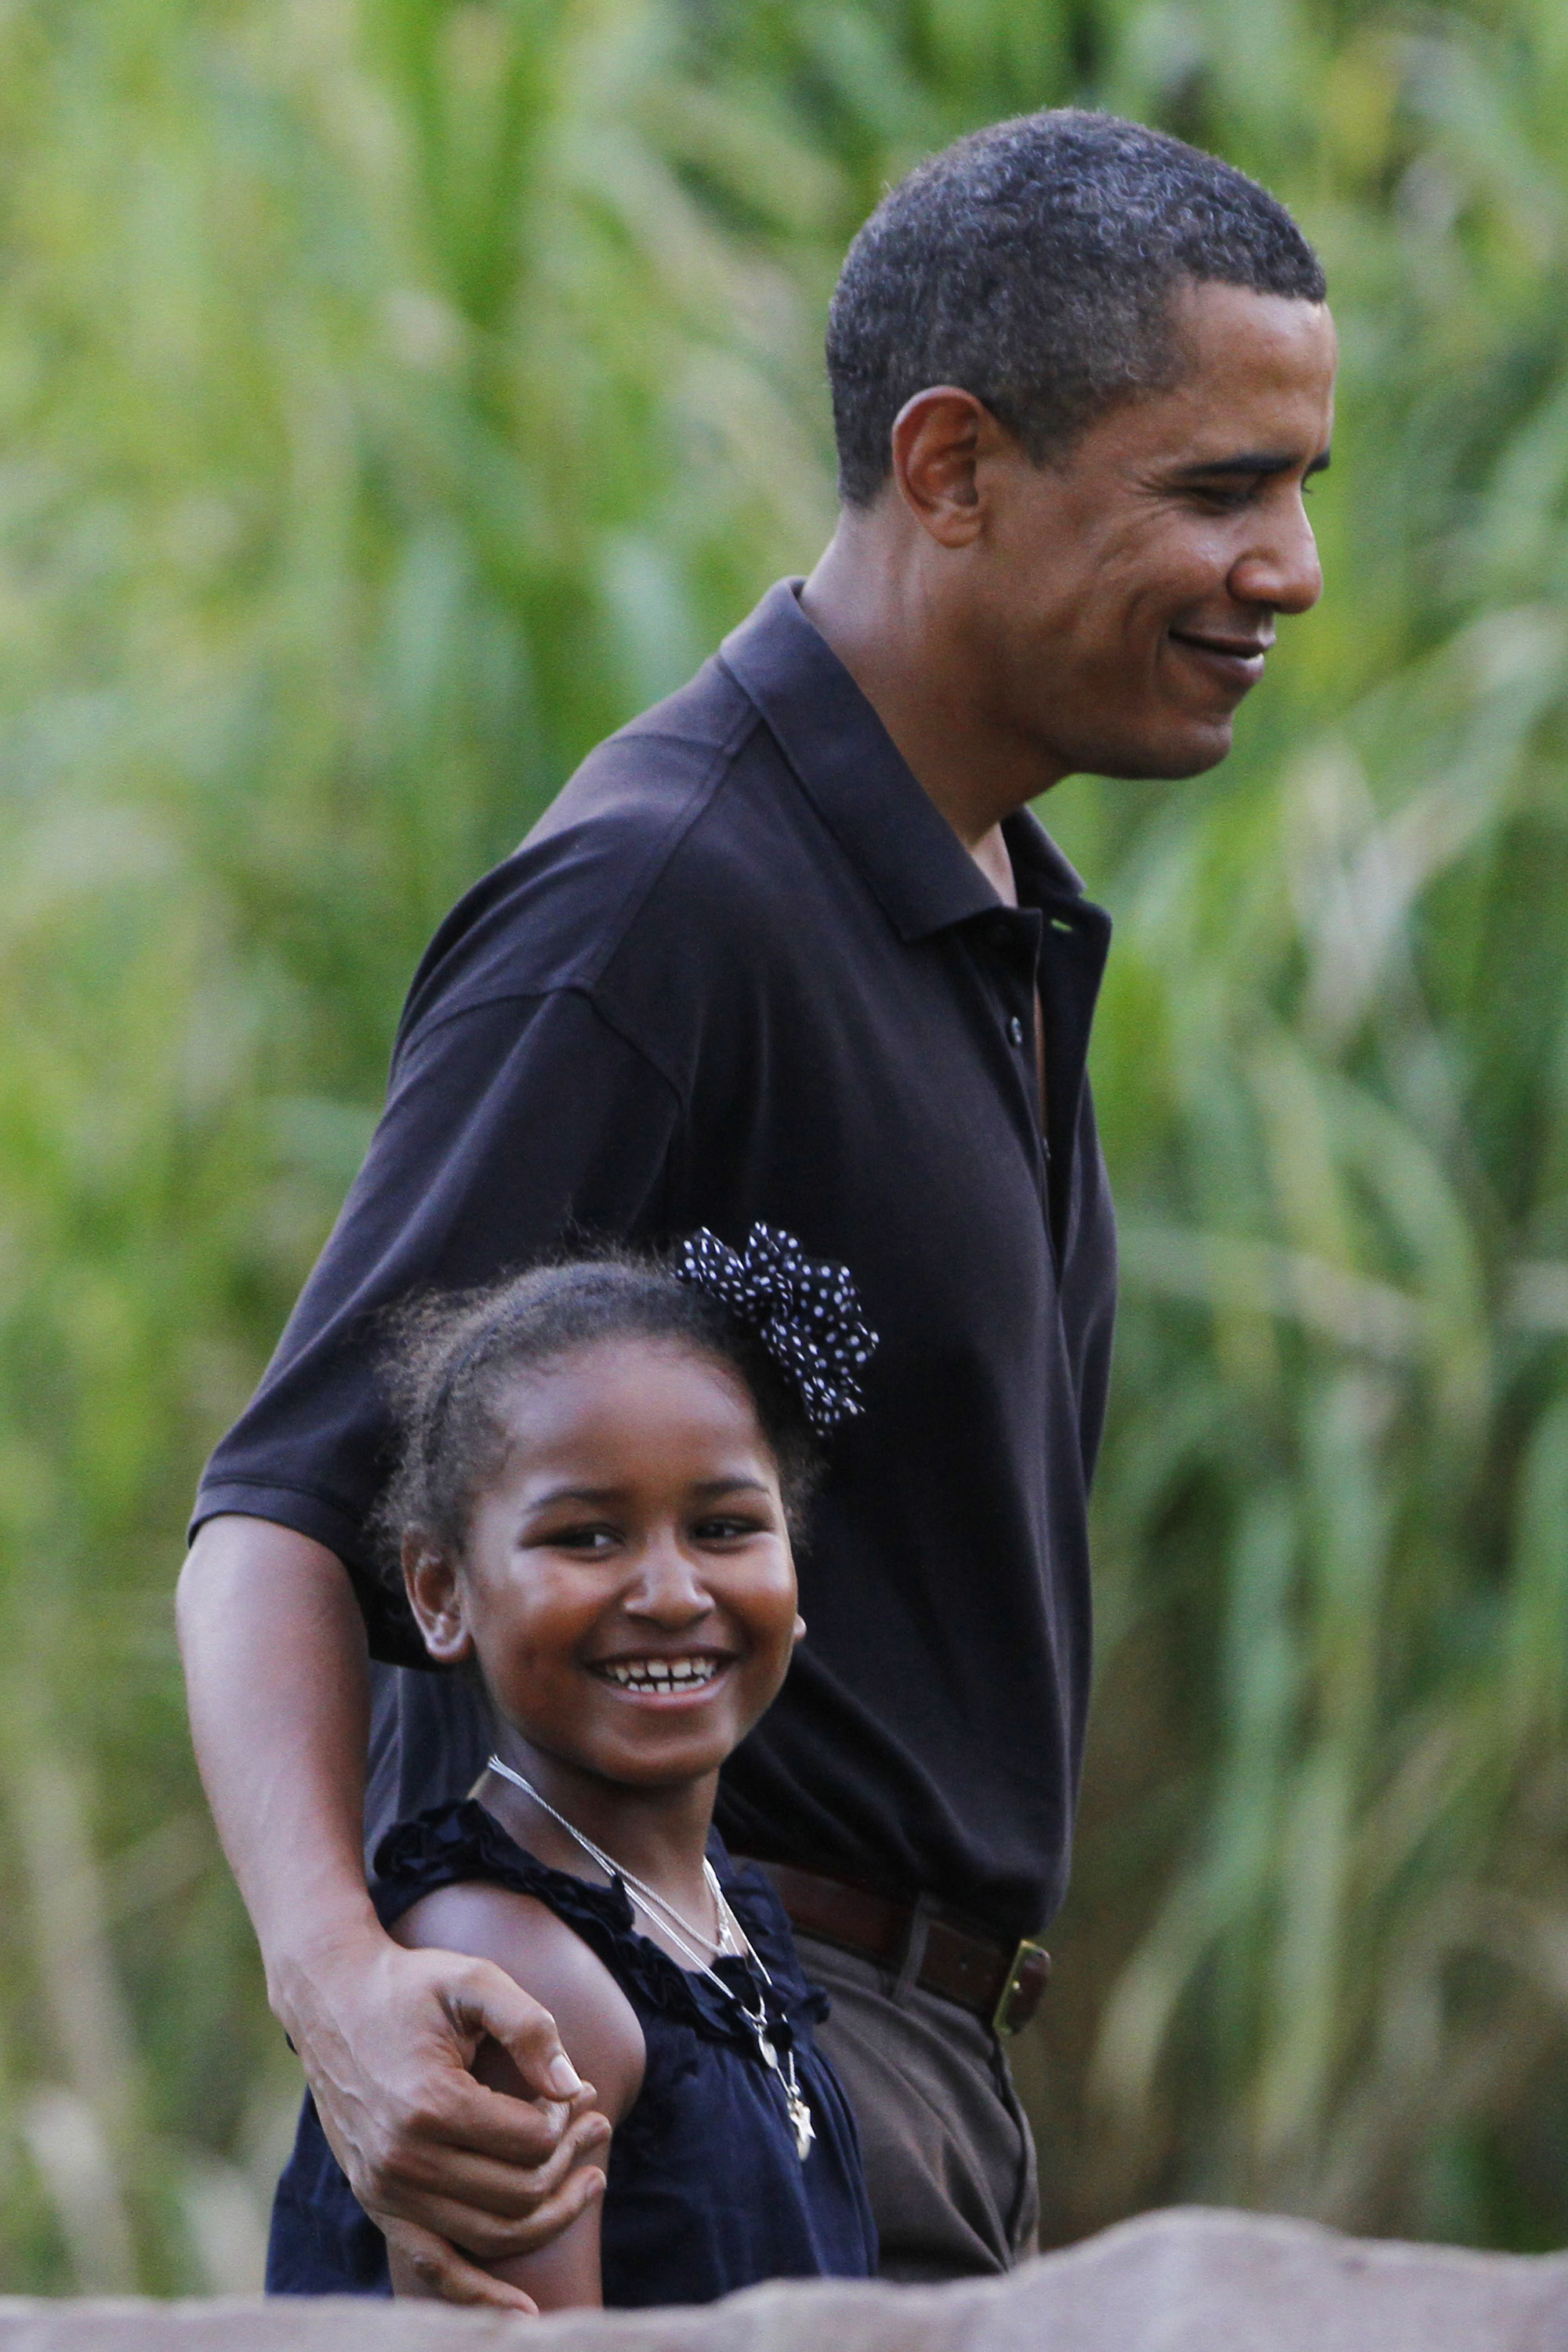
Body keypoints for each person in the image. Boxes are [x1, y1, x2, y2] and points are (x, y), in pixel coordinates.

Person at [178, 107, 1336, 2302]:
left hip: (876, 2081)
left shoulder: (995, 904)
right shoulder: (662, 900)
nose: (1285, 566)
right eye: (1217, 489)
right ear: (951, 465)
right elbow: (277, 1514)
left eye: (1299, 488)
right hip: (656, 2090)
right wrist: (345, 1995)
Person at [276, 1236, 880, 2306]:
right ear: (440, 1590)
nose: (670, 1590)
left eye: (725, 1527)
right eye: (588, 1537)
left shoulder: (717, 1922)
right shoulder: (522, 1979)